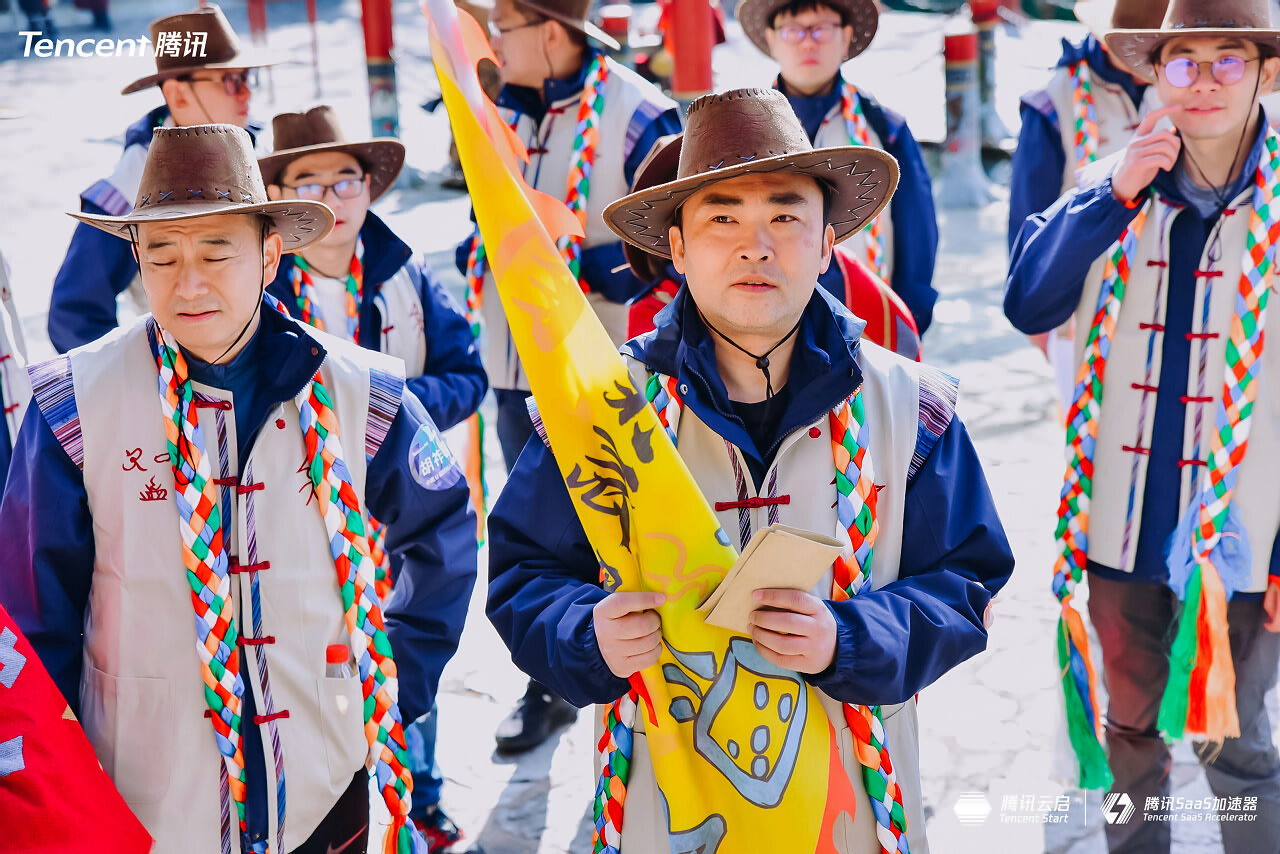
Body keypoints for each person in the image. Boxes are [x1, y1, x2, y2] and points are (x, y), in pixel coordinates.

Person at [488, 87, 1014, 853]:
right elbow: (522, 577)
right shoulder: (599, 414)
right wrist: (584, 632)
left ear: (829, 241)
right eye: (722, 218)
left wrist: (851, 637)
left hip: (854, 803)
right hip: (662, 805)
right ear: (677, 246)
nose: (755, 246)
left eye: (786, 217)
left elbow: (967, 585)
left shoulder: (911, 406)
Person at [0, 124, 477, 854]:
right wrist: (64, 782)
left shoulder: (357, 388)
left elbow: (441, 533)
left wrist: (393, 689)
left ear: (268, 253)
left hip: (323, 776)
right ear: (136, 259)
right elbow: (35, 614)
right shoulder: (74, 405)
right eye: (161, 254)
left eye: (216, 251)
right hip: (144, 791)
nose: (188, 282)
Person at [1005, 2, 1280, 849]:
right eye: (1181, 60)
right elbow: (1029, 301)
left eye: (1227, 60)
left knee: (1236, 740)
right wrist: (1110, 194)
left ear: (1267, 73)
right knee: (1129, 737)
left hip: (1247, 530)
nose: (1202, 81)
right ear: (1151, 73)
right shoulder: (1110, 182)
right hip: (1122, 522)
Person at [454, 0, 682, 755]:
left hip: (611, 374)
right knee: (539, 538)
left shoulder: (642, 112)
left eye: (504, 29)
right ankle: (550, 682)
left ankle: (659, 685)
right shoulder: (505, 112)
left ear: (551, 32)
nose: (493, 46)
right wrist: (479, 247)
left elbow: (670, 243)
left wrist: (576, 265)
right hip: (514, 365)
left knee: (624, 531)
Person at [260, 105, 487, 852]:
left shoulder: (408, 272)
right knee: (324, 658)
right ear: (286, 199)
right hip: (304, 510)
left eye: (346, 178)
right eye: (310, 181)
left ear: (369, 188)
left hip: (403, 504)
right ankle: (340, 795)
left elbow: (469, 373)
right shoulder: (261, 292)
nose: (332, 194)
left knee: (412, 641)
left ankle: (421, 791)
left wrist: (386, 411)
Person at [47, 5, 276, 354]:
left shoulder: (264, 149)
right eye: (231, 81)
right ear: (178, 94)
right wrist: (136, 380)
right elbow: (74, 315)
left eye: (247, 78)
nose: (246, 93)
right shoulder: (129, 186)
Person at [736, 0, 939, 335]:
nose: (807, 41)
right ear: (771, 40)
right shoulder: (746, 128)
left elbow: (916, 232)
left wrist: (908, 317)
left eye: (821, 29)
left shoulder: (882, 128)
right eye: (792, 30)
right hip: (767, 326)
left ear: (845, 37)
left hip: (869, 318)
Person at [1008, 0, 1169, 405]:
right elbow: (1028, 224)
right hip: (1081, 315)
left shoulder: (1182, 87)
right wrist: (1042, 329)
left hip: (1169, 306)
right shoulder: (1052, 100)